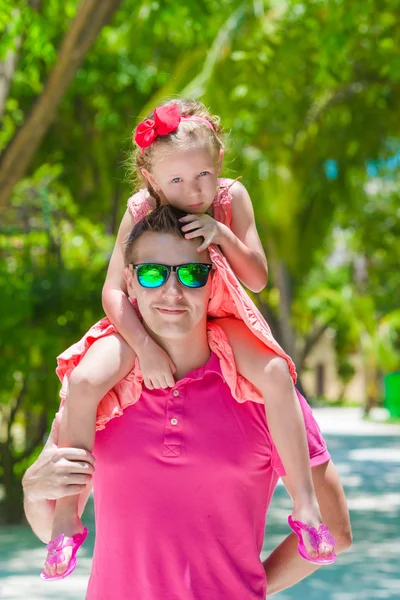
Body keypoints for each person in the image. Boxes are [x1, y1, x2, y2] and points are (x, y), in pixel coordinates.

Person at [43, 99, 336, 575]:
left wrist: (222, 234)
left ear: (217, 162)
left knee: (277, 375)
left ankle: (304, 507)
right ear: (153, 182)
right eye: (176, 181)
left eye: (202, 174)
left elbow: (258, 278)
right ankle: (64, 519)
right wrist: (143, 348)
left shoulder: (230, 197)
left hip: (222, 313)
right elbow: (113, 292)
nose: (193, 189)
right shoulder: (140, 207)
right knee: (83, 383)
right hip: (150, 321)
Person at [23, 206, 352, 598]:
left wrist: (251, 588)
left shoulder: (265, 391)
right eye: (151, 273)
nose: (172, 293)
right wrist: (33, 487)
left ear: (213, 284)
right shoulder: (98, 391)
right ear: (129, 282)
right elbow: (50, 529)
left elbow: (333, 527)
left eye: (192, 275)